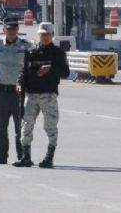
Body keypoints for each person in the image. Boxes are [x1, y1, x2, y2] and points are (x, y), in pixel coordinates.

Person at [14, 22, 69, 169]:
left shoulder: (57, 53)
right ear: (38, 35)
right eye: (42, 34)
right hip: (31, 95)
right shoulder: (31, 52)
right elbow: (23, 72)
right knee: (26, 126)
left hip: (48, 94)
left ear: (52, 35)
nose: (44, 37)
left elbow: (66, 73)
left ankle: (49, 158)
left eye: (47, 34)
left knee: (50, 126)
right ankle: (26, 157)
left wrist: (50, 68)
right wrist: (19, 84)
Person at [0, 16, 32, 165]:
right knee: (1, 127)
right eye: (9, 29)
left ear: (18, 29)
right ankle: (1, 156)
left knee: (20, 127)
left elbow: (34, 64)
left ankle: (22, 157)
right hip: (2, 92)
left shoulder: (26, 45)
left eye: (14, 29)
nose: (12, 31)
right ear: (3, 30)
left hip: (19, 93)